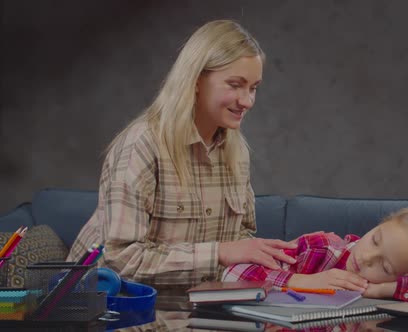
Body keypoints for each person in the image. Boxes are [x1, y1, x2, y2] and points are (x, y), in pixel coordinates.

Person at [66, 20, 298, 287]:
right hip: (113, 310)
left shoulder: (236, 152)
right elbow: (118, 260)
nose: (247, 101)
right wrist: (219, 253)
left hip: (194, 309)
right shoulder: (141, 146)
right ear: (197, 80)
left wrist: (292, 265)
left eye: (253, 87)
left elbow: (240, 238)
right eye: (235, 85)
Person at [223, 208, 408, 301]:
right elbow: (232, 274)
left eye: (386, 267)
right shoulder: (322, 248)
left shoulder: (389, 289)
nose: (367, 257)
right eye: (375, 240)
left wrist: (384, 290)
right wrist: (303, 281)